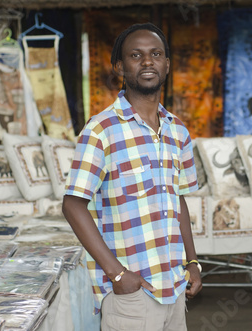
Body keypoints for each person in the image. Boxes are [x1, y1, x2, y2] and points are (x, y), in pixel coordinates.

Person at [62, 22, 202, 331]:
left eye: (156, 54)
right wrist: (118, 275)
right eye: (136, 55)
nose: (148, 61)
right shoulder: (101, 130)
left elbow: (177, 199)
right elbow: (72, 205)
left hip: (175, 287)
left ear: (166, 64)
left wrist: (192, 263)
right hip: (132, 294)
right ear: (120, 67)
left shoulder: (177, 131)